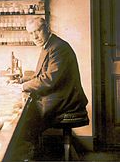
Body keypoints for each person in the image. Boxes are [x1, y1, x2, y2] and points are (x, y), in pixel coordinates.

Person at [11, 17, 88, 160]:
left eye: (37, 31)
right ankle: (32, 153)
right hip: (60, 96)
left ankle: (30, 155)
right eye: (31, 33)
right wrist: (21, 80)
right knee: (21, 114)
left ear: (47, 28)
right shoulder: (49, 45)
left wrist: (23, 86)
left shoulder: (59, 48)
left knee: (22, 120)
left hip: (67, 100)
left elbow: (49, 80)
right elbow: (42, 74)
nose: (34, 36)